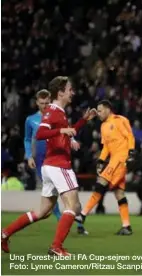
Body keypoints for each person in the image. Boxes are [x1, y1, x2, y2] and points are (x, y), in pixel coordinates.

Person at [1, 76, 96, 256]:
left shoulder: (59, 112)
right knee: (73, 206)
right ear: (60, 92)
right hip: (59, 165)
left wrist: (83, 120)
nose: (72, 92)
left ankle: (4, 234)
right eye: (69, 89)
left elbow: (68, 132)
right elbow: (41, 133)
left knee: (43, 212)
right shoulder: (53, 111)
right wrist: (61, 130)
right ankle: (56, 247)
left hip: (50, 166)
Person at [23, 89, 87, 234]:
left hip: (56, 157)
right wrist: (29, 156)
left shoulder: (54, 114)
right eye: (41, 103)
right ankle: (63, 223)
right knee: (65, 202)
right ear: (36, 103)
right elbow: (28, 139)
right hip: (44, 160)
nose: (45, 105)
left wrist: (72, 139)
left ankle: (6, 233)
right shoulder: (31, 119)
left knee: (50, 205)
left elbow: (65, 131)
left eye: (47, 102)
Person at [80, 100, 135, 235]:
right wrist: (100, 160)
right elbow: (106, 147)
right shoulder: (103, 126)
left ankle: (82, 215)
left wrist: (131, 152)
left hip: (121, 159)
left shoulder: (120, 120)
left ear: (107, 109)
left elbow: (130, 136)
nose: (98, 113)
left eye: (99, 110)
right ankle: (126, 226)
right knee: (119, 193)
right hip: (112, 160)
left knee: (101, 184)